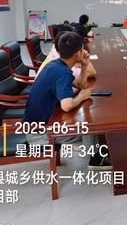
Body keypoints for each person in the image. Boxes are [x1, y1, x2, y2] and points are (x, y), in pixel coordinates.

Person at [24, 31, 111, 170]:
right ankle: (96, 159)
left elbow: (80, 85)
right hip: (40, 134)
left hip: (39, 125)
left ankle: (97, 151)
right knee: (90, 126)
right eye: (82, 49)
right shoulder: (62, 73)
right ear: (77, 53)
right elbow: (67, 105)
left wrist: (84, 65)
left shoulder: (55, 65)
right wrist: (81, 97)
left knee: (85, 115)